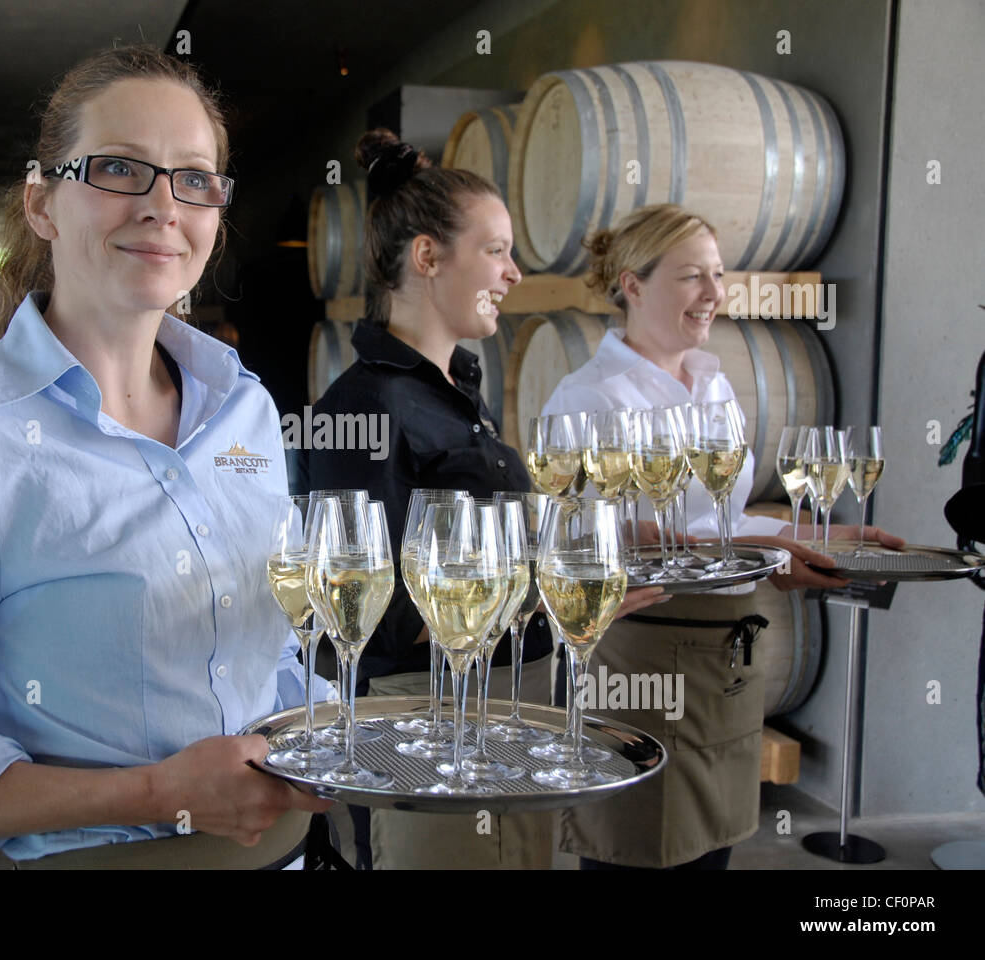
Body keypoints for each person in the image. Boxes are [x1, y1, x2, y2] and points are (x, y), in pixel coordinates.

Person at [0, 44, 333, 870]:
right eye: (119, 169)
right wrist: (159, 792)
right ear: (41, 203)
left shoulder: (246, 411)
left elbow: (272, 657)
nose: (164, 207)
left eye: (194, 178)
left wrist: (353, 737)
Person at [305, 130, 665, 869]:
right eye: (496, 250)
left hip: (501, 702)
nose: (514, 271)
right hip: (426, 723)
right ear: (428, 258)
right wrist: (544, 589)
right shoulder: (367, 407)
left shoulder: (452, 390)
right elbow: (368, 616)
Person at [543, 203, 904, 869]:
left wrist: (817, 534)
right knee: (636, 846)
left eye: (717, 273)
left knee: (711, 850)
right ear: (633, 284)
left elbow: (719, 526)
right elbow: (587, 548)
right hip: (640, 654)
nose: (715, 294)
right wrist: (769, 555)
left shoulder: (712, 385)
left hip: (728, 648)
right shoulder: (590, 397)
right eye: (691, 277)